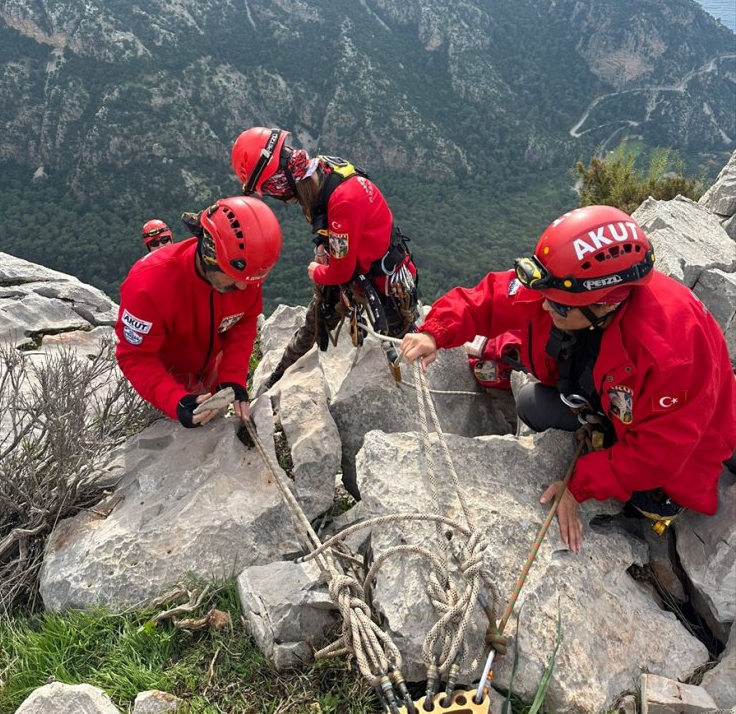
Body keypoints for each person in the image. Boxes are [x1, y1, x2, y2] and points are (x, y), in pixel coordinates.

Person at [400, 205, 736, 552]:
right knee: (532, 404)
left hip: (685, 438)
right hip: (614, 405)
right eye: (546, 298)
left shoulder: (670, 353)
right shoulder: (563, 287)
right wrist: (435, 332)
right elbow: (492, 298)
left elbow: (658, 454)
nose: (544, 307)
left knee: (655, 494)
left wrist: (580, 485)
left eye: (558, 307)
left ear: (605, 305)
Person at [231, 127, 419, 387]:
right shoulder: (321, 169)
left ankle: (410, 388)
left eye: (270, 189)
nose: (275, 196)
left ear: (277, 181)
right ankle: (278, 377)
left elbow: (341, 271)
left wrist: (316, 271)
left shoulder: (342, 201)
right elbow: (325, 219)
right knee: (315, 321)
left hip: (379, 283)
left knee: (401, 342)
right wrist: (322, 243)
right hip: (371, 266)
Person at [116, 197, 282, 427]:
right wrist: (175, 400)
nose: (244, 288)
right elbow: (136, 356)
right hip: (169, 377)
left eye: (252, 280)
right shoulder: (147, 286)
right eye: (236, 279)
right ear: (210, 256)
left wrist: (232, 377)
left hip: (213, 365)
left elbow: (244, 320)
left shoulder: (243, 270)